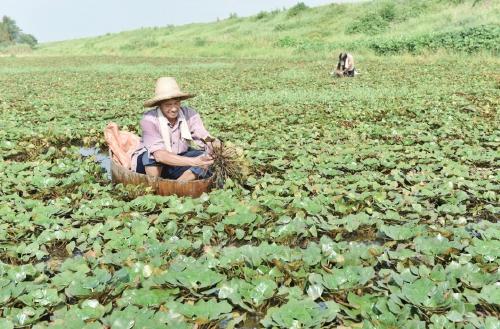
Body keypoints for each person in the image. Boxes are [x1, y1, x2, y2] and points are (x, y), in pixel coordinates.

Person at [131, 77, 215, 181]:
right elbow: (159, 155)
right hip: (152, 163)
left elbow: (203, 135)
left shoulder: (189, 114)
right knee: (150, 158)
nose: (174, 109)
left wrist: (213, 143)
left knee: (209, 158)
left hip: (179, 158)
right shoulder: (149, 119)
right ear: (159, 105)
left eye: (176, 103)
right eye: (168, 105)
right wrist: (195, 162)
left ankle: (181, 181)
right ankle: (153, 186)